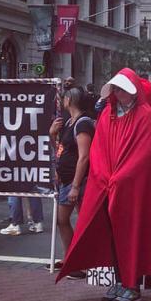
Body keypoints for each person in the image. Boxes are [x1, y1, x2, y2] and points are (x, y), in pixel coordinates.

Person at [57, 68, 151, 301]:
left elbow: (143, 153)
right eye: (117, 88)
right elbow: (99, 150)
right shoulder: (108, 116)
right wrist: (105, 176)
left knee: (131, 235)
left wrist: (120, 177)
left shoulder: (144, 114)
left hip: (132, 189)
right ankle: (119, 279)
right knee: (112, 235)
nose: (120, 93)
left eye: (124, 88)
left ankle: (131, 283)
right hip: (109, 187)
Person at [49, 86, 94, 280]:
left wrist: (76, 185)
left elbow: (84, 156)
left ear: (69, 100)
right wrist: (52, 135)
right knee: (62, 219)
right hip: (67, 180)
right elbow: (61, 149)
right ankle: (71, 258)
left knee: (83, 222)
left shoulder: (83, 124)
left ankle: (82, 263)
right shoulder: (68, 122)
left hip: (79, 181)